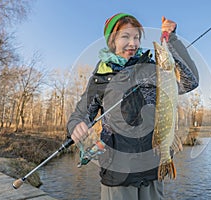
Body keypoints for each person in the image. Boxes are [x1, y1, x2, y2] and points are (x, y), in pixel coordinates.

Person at [67, 13, 199, 200]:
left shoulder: (153, 70)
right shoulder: (101, 78)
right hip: (118, 173)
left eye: (136, 37)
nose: (133, 43)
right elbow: (80, 115)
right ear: (112, 41)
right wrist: (76, 127)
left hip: (153, 167)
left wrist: (173, 40)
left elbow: (190, 82)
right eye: (125, 37)